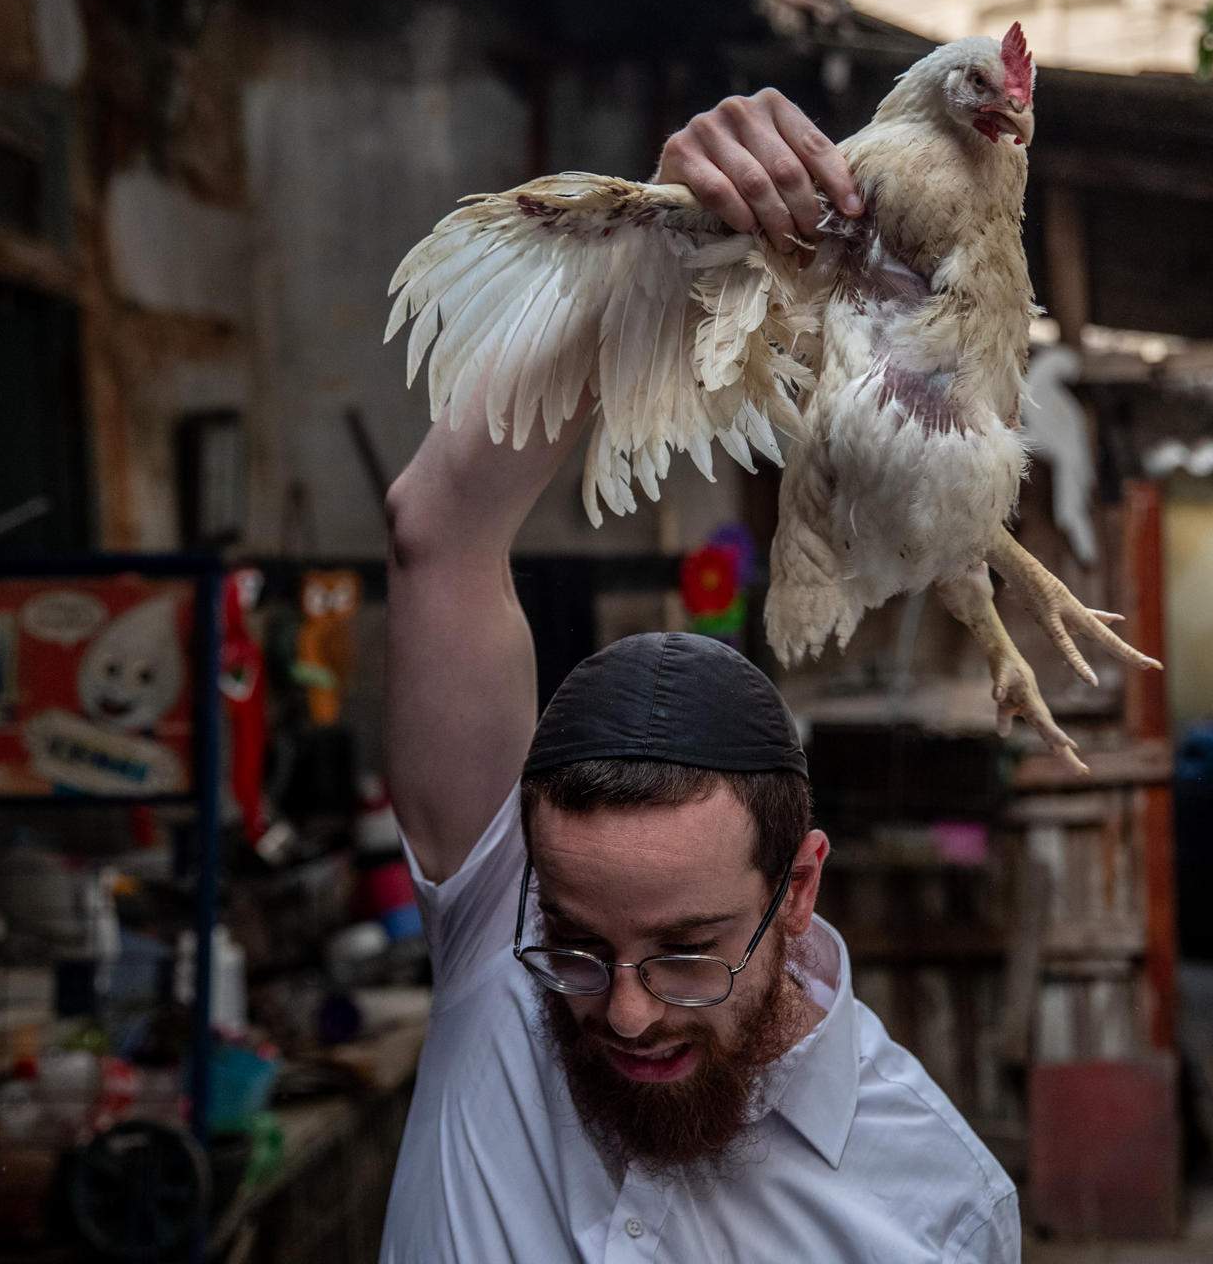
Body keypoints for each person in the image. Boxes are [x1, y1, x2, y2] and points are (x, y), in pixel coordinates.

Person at [380, 88, 1020, 1263]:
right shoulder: (493, 944)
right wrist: (662, 247)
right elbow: (440, 529)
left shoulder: (934, 1207)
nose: (625, 1010)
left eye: (687, 951)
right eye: (578, 946)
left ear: (799, 886)